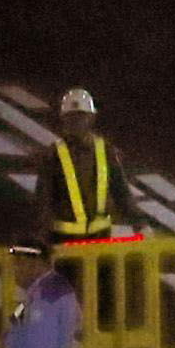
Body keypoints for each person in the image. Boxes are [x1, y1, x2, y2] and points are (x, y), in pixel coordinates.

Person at [44, 89, 124, 247]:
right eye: (72, 117)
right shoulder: (53, 155)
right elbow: (44, 199)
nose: (76, 122)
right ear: (64, 119)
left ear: (91, 118)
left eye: (81, 116)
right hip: (65, 242)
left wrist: (140, 222)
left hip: (100, 240)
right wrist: (42, 236)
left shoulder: (106, 150)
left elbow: (121, 190)